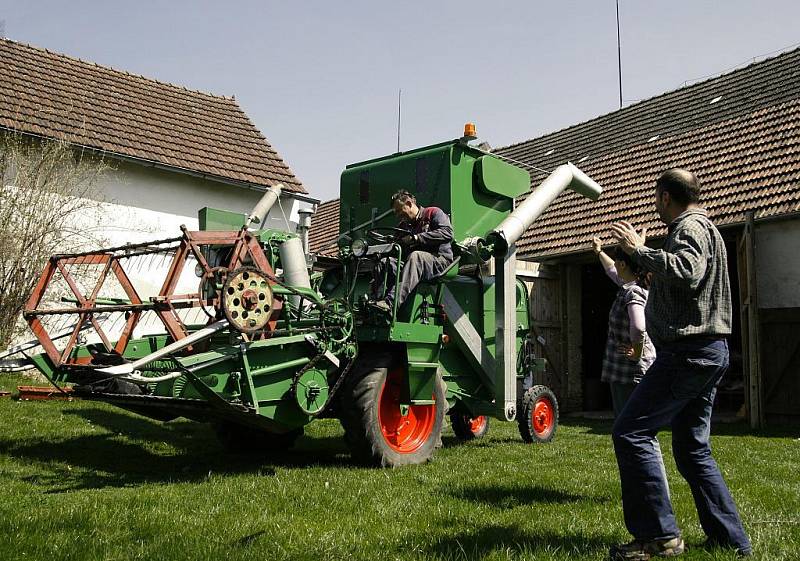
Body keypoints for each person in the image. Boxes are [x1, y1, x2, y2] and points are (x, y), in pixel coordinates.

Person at [608, 169, 751, 560]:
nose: (655, 204)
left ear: (666, 197)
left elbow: (688, 271)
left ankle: (658, 536)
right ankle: (730, 540)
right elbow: (687, 284)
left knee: (631, 432)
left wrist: (639, 250)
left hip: (686, 353)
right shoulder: (703, 229)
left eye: (656, 197)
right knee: (691, 449)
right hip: (703, 352)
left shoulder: (690, 227)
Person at [591, 238, 656, 416]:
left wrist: (636, 351)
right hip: (632, 371)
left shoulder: (632, 292)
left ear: (622, 264)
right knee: (639, 424)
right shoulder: (637, 285)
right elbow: (611, 270)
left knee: (630, 424)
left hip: (629, 372)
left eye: (617, 262)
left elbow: (639, 326)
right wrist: (598, 252)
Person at [371, 190, 454, 313]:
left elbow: (448, 233)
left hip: (440, 261)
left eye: (400, 211)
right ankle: (376, 305)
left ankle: (390, 303)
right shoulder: (403, 226)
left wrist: (417, 238)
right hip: (413, 265)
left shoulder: (433, 213)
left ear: (409, 203)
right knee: (385, 262)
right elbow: (397, 248)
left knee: (416, 256)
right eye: (396, 213)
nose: (398, 215)